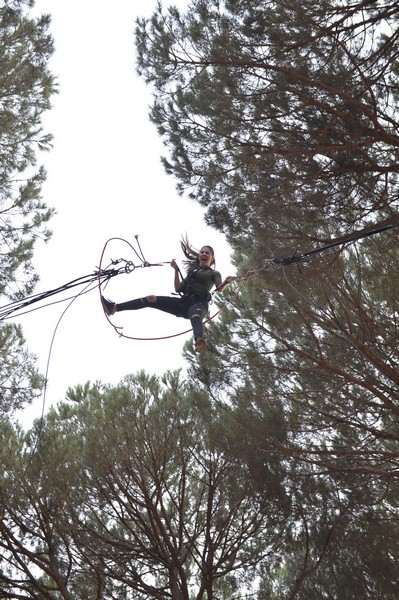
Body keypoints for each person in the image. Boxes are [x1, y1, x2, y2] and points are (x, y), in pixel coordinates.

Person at [101, 239, 235, 352]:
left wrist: (226, 282)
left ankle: (198, 339)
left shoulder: (214, 273)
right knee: (150, 299)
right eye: (202, 252)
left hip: (198, 305)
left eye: (207, 253)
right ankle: (114, 308)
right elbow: (177, 289)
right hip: (183, 304)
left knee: (195, 317)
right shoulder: (193, 272)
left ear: (212, 258)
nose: (204, 254)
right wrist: (176, 270)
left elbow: (219, 289)